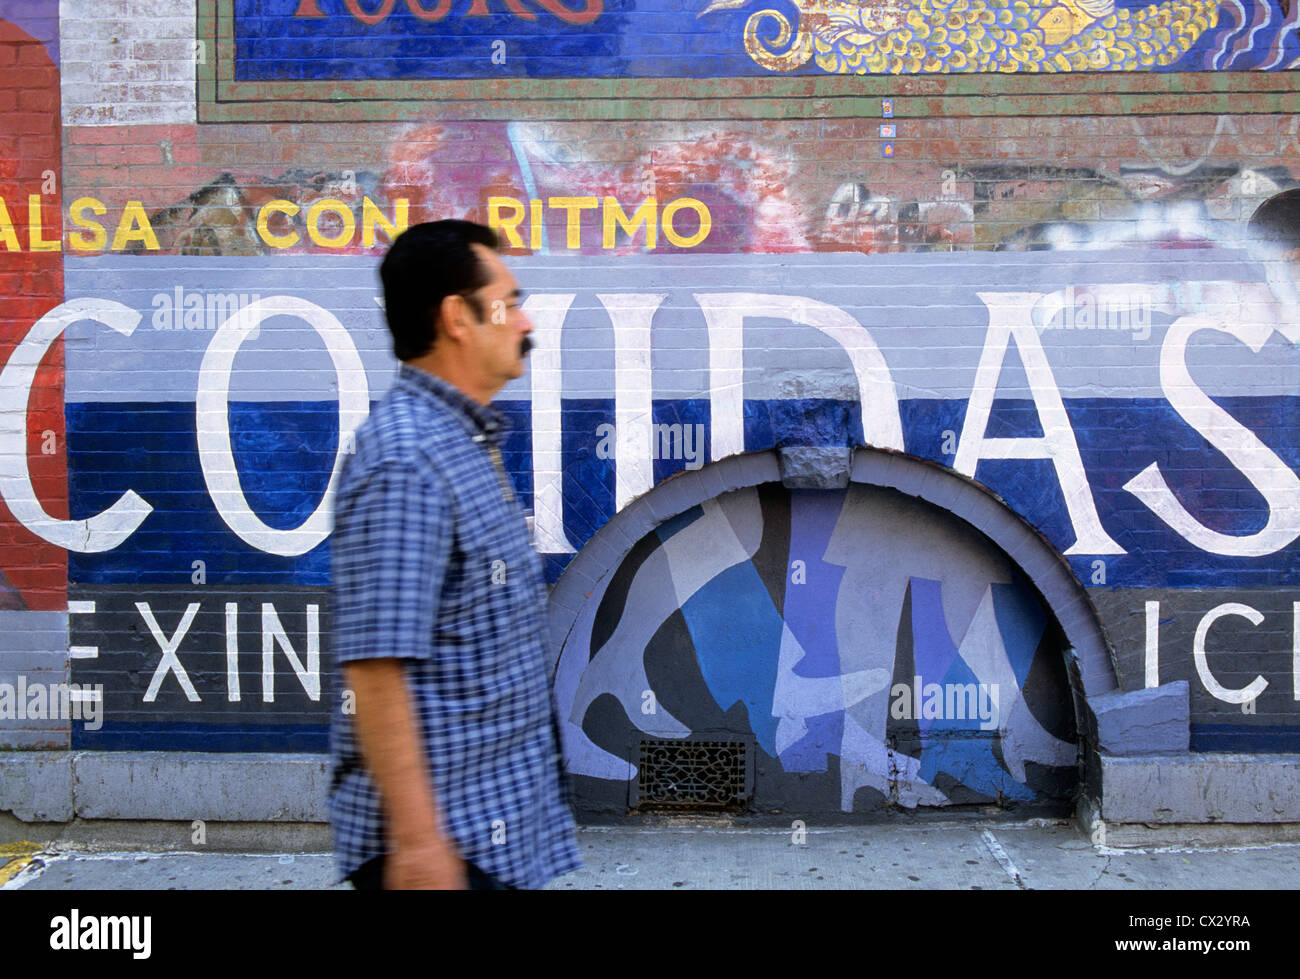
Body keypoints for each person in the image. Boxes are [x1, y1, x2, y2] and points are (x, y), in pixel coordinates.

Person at [328, 220, 581, 890]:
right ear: (456, 318)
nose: (525, 319)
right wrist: (418, 845)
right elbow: (377, 665)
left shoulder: (461, 441)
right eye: (508, 300)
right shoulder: (408, 460)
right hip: (443, 851)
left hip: (490, 834)